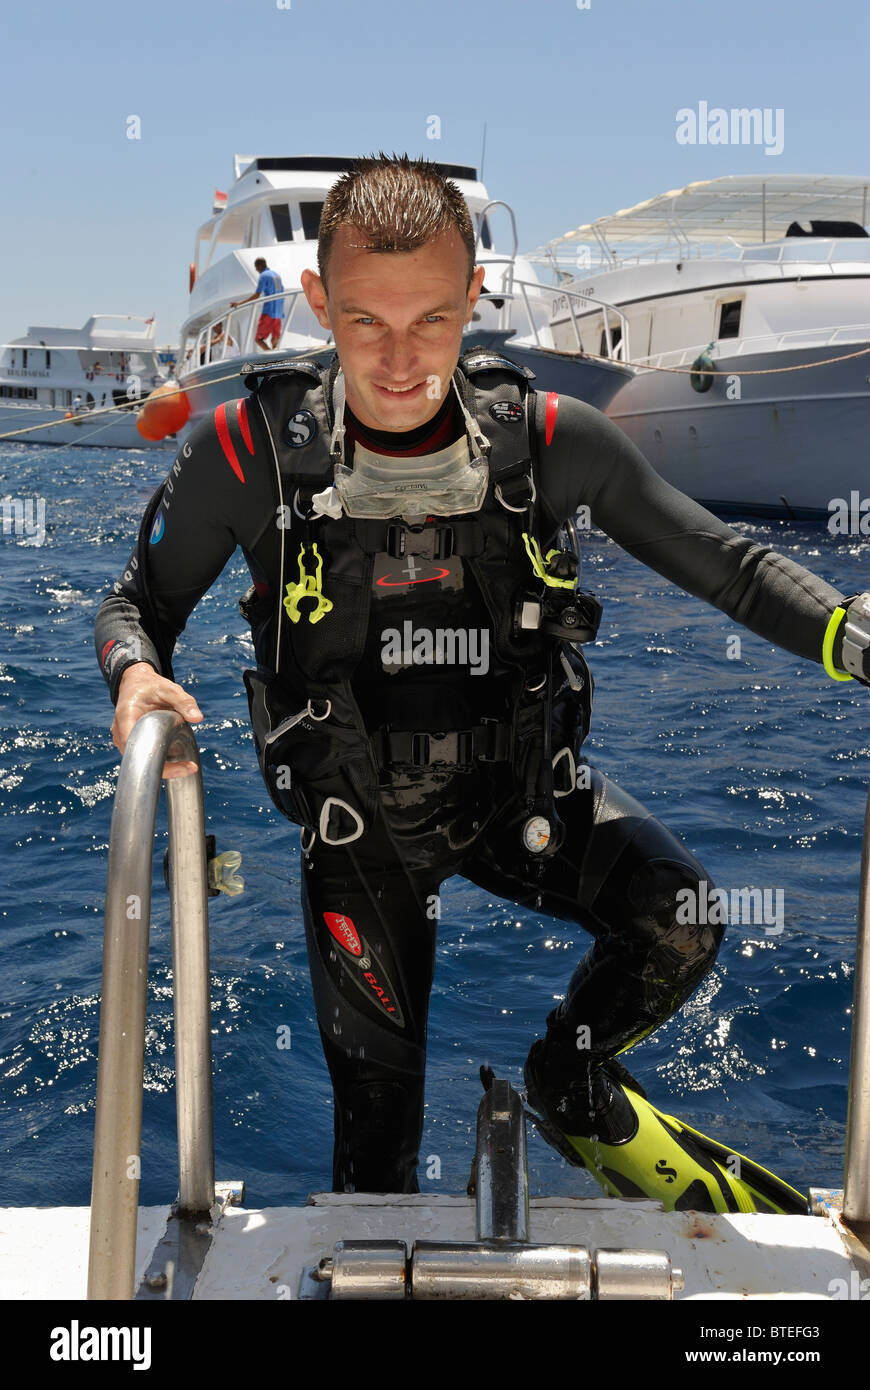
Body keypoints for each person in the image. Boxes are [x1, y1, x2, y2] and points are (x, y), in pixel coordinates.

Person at [94, 155, 870, 1210]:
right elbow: (136, 602)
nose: (402, 360)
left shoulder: (549, 441)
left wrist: (852, 632)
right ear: (320, 301)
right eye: (367, 323)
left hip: (524, 803)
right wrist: (137, 675)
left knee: (683, 917)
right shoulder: (250, 453)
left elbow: (726, 564)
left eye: (434, 322)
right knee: (375, 1163)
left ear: (475, 303)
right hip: (358, 840)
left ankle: (569, 1074)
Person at [231, 257, 284, 350]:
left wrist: (239, 303)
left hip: (269, 312)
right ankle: (275, 353)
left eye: (256, 267)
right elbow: (280, 293)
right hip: (279, 313)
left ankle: (270, 354)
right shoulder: (276, 275)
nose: (256, 269)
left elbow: (256, 295)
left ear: (260, 265)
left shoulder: (263, 276)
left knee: (258, 339)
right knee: (275, 337)